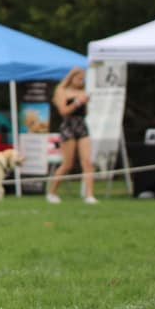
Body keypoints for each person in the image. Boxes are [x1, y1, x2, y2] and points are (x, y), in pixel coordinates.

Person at [48, 67, 98, 205]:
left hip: (82, 126)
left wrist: (85, 103)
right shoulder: (62, 92)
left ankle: (90, 195)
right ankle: (52, 192)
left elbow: (85, 113)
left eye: (83, 79)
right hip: (68, 127)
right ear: (72, 78)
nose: (81, 81)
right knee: (68, 164)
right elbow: (63, 111)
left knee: (87, 162)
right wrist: (77, 103)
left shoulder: (83, 92)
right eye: (79, 78)